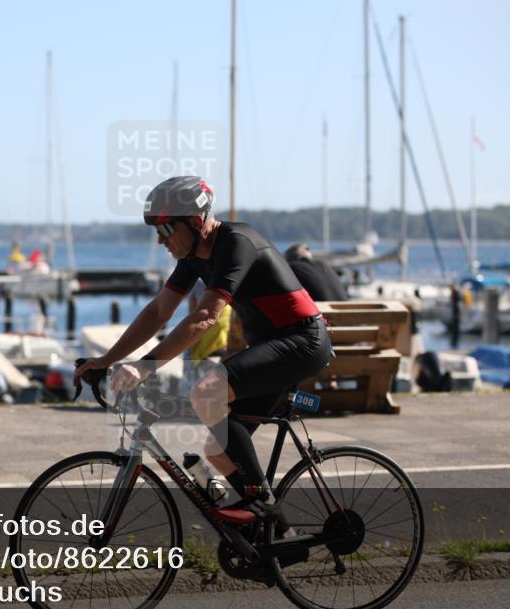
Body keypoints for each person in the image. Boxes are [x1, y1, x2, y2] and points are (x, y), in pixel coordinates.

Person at [74, 176, 333, 521]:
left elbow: (205, 316)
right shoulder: (194, 256)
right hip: (274, 346)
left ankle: (264, 504)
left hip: (303, 341)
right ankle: (277, 533)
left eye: (166, 229)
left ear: (195, 222)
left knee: (207, 392)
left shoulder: (236, 243)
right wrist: (107, 359)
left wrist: (145, 366)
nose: (159, 239)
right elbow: (158, 311)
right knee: (217, 451)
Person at [283, 243, 349, 302]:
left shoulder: (293, 268)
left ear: (289, 259)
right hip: (343, 308)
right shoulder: (323, 264)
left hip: (324, 312)